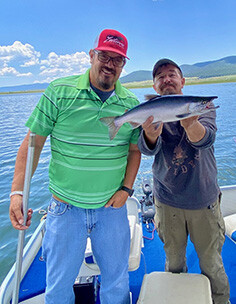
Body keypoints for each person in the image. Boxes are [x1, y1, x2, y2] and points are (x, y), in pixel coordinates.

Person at [9, 29, 141, 304]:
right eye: (104, 55)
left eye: (117, 60)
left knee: (116, 283)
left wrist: (127, 190)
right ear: (91, 55)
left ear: (124, 65)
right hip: (65, 209)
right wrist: (17, 193)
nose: (110, 64)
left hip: (111, 210)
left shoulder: (130, 103)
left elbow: (134, 149)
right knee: (58, 288)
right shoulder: (59, 91)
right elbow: (32, 143)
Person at [138, 58, 230, 304]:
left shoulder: (203, 108)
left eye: (172, 74)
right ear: (155, 86)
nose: (166, 79)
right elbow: (146, 150)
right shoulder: (149, 111)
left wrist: (191, 125)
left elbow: (205, 139)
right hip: (167, 201)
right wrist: (149, 134)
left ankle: (220, 301)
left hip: (204, 199)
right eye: (160, 77)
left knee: (212, 264)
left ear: (182, 81)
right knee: (174, 263)